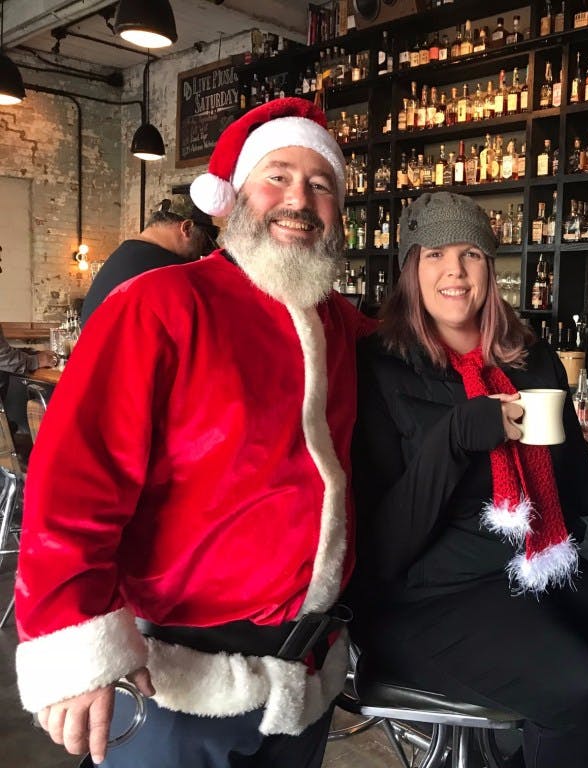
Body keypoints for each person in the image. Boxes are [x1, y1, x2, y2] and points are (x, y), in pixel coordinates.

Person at [15, 97, 376, 768]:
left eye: (321, 184)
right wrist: (75, 639)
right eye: (278, 175)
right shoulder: (159, 305)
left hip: (304, 680)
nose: (299, 197)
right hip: (177, 684)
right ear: (231, 197)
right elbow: (74, 481)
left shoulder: (343, 330)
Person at [351, 191, 588, 768]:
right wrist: (453, 437)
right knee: (579, 688)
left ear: (490, 269)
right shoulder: (379, 365)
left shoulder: (529, 359)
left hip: (534, 568)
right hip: (424, 599)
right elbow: (385, 548)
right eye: (434, 254)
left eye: (470, 253)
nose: (454, 271)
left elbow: (571, 489)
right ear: (409, 268)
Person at [80, 195, 220, 325]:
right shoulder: (167, 269)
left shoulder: (123, 256)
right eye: (202, 241)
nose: (201, 253)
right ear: (187, 228)